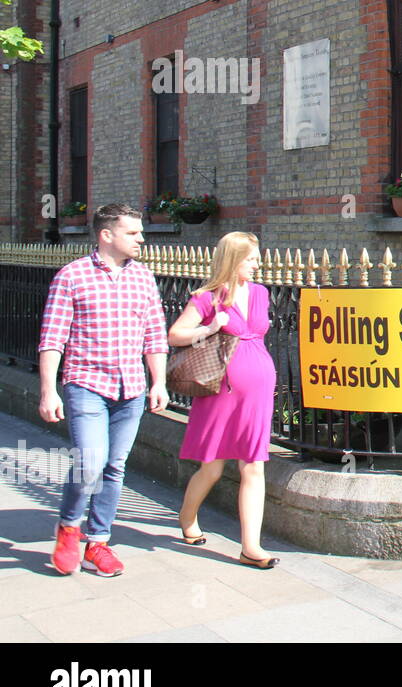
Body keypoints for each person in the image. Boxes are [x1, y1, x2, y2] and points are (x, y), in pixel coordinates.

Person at [38, 203, 170, 577]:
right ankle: (68, 527)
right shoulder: (72, 276)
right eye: (132, 233)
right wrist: (49, 391)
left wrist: (157, 381)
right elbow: (52, 338)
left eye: (142, 231)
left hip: (131, 387)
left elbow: (154, 334)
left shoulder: (143, 277)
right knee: (90, 462)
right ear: (106, 235)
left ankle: (98, 542)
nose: (141, 238)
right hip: (86, 384)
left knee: (114, 467)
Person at [167, 231, 279, 569]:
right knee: (212, 466)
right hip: (220, 392)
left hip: (257, 389)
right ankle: (187, 518)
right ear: (232, 259)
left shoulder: (260, 293)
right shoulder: (207, 297)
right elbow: (175, 334)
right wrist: (211, 327)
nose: (258, 265)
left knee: (253, 465)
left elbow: (258, 331)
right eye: (251, 259)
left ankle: (251, 547)